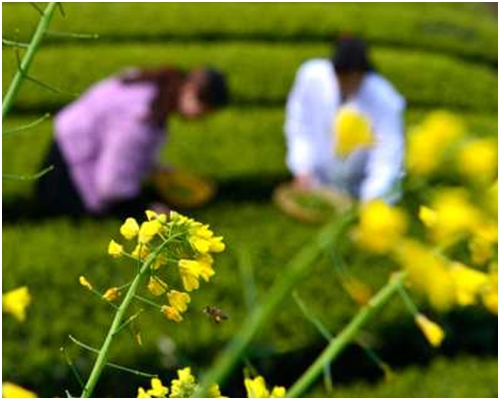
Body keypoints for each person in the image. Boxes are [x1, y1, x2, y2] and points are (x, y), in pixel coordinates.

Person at [35, 65, 229, 218]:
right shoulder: (140, 117)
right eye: (204, 109)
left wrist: (153, 168)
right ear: (190, 90)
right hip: (71, 172)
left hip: (68, 144)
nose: (201, 118)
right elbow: (112, 185)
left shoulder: (156, 85)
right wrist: (148, 210)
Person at [284, 36, 405, 203]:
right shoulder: (312, 77)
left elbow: (388, 153)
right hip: (317, 185)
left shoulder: (384, 98)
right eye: (344, 77)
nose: (350, 83)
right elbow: (299, 124)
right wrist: (302, 166)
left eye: (356, 77)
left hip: (360, 188)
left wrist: (372, 199)